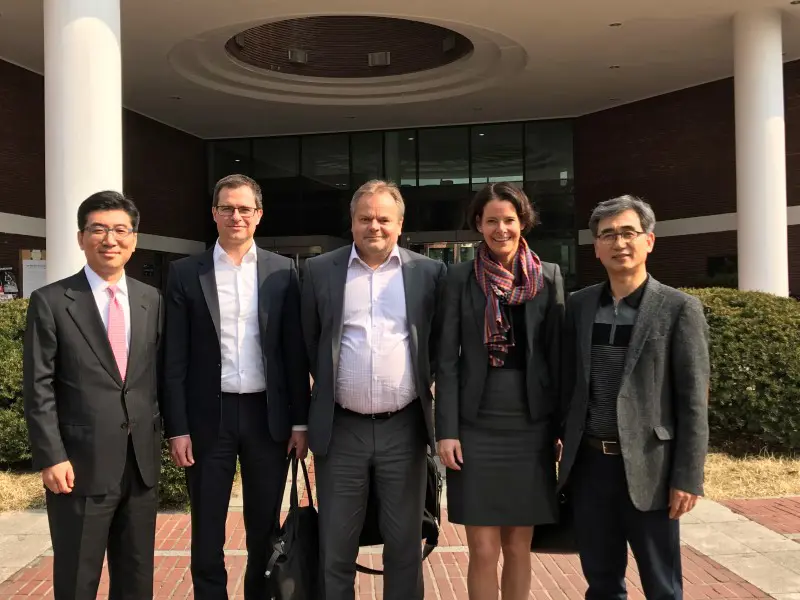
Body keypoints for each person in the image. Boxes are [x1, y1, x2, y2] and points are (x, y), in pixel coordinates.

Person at [162, 174, 310, 600]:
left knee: (264, 527)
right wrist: (177, 427)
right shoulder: (186, 273)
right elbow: (174, 358)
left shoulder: (283, 272)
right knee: (207, 528)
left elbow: (294, 355)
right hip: (210, 417)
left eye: (245, 208)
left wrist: (300, 422)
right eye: (227, 207)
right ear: (214, 214)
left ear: (259, 215)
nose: (236, 216)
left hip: (268, 417)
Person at [558, 195, 710, 600]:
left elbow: (694, 402)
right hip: (590, 467)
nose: (618, 242)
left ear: (649, 241)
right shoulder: (579, 305)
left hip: (651, 469)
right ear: (596, 247)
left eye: (628, 232)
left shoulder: (679, 309)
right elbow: (567, 383)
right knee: (602, 582)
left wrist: (687, 477)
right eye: (608, 235)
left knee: (663, 586)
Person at [301, 179, 446, 600]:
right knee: (336, 547)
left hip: (404, 428)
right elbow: (309, 344)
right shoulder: (318, 271)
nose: (374, 226)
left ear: (401, 225)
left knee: (403, 546)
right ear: (352, 222)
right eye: (365, 218)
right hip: (341, 429)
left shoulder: (429, 273)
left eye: (384, 218)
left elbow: (438, 346)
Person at [23, 191, 163, 600]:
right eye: (98, 229)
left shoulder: (149, 299)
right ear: (81, 237)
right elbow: (39, 386)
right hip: (78, 467)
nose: (110, 239)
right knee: (77, 578)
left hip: (140, 465)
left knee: (137, 578)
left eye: (120, 230)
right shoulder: (51, 302)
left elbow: (155, 376)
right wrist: (51, 455)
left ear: (134, 239)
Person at [435, 182, 564, 600]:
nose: (501, 228)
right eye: (492, 220)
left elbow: (558, 359)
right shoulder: (458, 277)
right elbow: (447, 360)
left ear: (522, 221)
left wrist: (560, 426)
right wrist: (447, 430)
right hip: (475, 426)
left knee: (518, 546)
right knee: (484, 549)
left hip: (531, 426)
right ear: (478, 224)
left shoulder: (548, 276)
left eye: (509, 219)